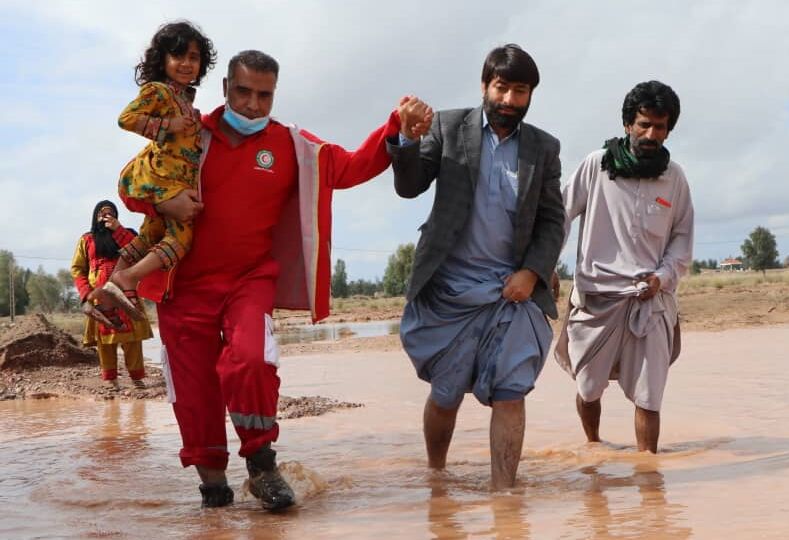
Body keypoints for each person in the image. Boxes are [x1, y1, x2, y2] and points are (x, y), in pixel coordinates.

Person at [89, 50, 432, 511]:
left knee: (251, 360)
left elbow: (349, 167)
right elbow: (133, 186)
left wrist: (394, 127)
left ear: (274, 95)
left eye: (264, 96)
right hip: (183, 287)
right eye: (244, 92)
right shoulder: (190, 135)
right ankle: (213, 492)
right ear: (226, 87)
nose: (252, 104)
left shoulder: (290, 145)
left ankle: (262, 463)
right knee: (193, 394)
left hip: (249, 281)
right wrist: (166, 204)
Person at [387, 44, 565, 489]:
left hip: (512, 292)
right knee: (445, 396)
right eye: (501, 88)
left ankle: (505, 497)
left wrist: (533, 272)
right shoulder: (448, 127)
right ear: (485, 85)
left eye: (519, 91)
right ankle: (436, 477)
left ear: (530, 96)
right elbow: (409, 187)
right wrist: (408, 138)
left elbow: (551, 220)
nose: (508, 100)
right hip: (449, 290)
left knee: (511, 392)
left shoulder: (543, 148)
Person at [555, 80, 693, 453]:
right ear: (628, 124)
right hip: (595, 299)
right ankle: (594, 446)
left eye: (660, 127)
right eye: (644, 124)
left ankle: (650, 473)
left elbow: (682, 237)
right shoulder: (596, 166)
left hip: (650, 300)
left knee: (650, 397)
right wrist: (546, 264)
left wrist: (662, 278)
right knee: (588, 388)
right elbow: (559, 216)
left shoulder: (674, 178)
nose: (651, 134)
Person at [103, 21, 217, 317]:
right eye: (178, 56)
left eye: (193, 57)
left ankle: (103, 299)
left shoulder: (185, 100)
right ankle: (126, 279)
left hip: (173, 178)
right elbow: (126, 119)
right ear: (162, 59)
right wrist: (168, 126)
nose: (186, 63)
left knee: (152, 232)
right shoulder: (159, 91)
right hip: (161, 178)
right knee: (181, 239)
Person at [70, 201, 153, 389]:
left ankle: (137, 378)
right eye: (101, 213)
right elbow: (77, 269)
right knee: (104, 340)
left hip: (126, 292)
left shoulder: (128, 234)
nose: (105, 217)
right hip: (98, 295)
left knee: (132, 338)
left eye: (110, 213)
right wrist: (86, 295)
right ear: (95, 216)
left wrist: (118, 230)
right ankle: (111, 380)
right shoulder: (87, 240)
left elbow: (139, 253)